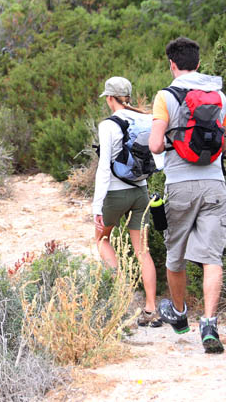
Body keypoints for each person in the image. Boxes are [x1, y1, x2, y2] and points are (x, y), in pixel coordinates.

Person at [148, 37, 226, 354]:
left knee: (175, 256)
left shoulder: (164, 97)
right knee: (212, 258)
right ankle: (209, 324)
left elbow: (156, 145)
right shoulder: (219, 96)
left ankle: (181, 314)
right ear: (199, 63)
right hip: (214, 184)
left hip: (180, 186)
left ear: (172, 64)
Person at [92, 76, 161, 328]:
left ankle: (124, 297)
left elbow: (102, 169)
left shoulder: (108, 125)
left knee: (102, 239)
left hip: (114, 193)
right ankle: (151, 310)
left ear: (110, 98)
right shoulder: (145, 118)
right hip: (140, 192)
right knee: (143, 251)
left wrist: (96, 206)